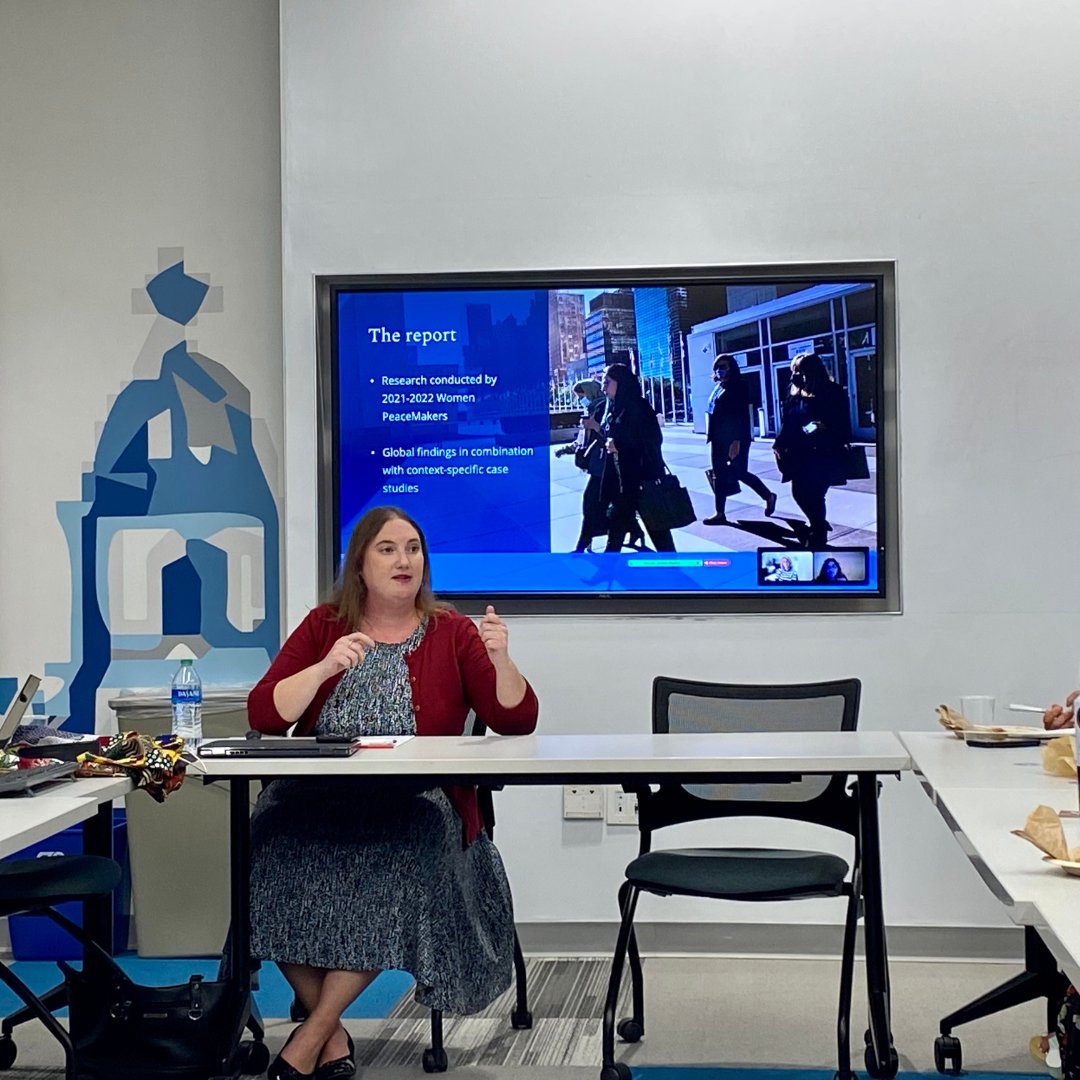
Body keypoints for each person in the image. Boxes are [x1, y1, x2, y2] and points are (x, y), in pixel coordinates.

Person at [247, 506, 538, 1080]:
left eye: (413, 548)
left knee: (397, 869)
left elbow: (517, 719)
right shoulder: (325, 625)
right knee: (263, 850)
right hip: (315, 798)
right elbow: (264, 712)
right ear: (359, 564)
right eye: (387, 548)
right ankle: (328, 1037)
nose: (404, 560)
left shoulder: (452, 630)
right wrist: (324, 666)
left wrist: (503, 659)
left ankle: (308, 1039)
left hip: (418, 804)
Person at [772, 352, 852, 548]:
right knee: (799, 493)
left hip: (824, 453)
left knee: (815, 495)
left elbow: (843, 427)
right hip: (798, 454)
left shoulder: (833, 392)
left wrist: (824, 426)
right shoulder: (794, 394)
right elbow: (788, 422)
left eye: (799, 370)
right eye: (794, 370)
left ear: (813, 371)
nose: (795, 375)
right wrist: (779, 442)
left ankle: (818, 534)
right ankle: (818, 526)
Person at [599, 363, 676, 552]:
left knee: (658, 529)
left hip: (642, 479)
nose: (603, 387)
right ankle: (606, 569)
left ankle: (673, 566)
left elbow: (653, 439)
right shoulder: (614, 407)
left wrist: (618, 445)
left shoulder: (638, 406)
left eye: (607, 382)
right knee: (617, 526)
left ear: (621, 382)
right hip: (622, 482)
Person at [566, 379, 645, 552]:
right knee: (611, 505)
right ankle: (634, 531)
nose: (581, 400)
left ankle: (584, 544)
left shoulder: (604, 407)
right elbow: (584, 439)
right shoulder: (592, 409)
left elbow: (611, 434)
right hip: (599, 466)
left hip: (606, 466)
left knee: (592, 504)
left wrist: (594, 427)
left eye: (583, 396)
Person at [702, 354, 776, 526]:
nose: (720, 370)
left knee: (739, 472)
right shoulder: (718, 387)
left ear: (731, 367)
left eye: (724, 366)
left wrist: (736, 440)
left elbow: (742, 415)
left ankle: (768, 496)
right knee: (719, 474)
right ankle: (720, 513)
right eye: (717, 367)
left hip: (736, 439)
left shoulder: (739, 386)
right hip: (718, 438)